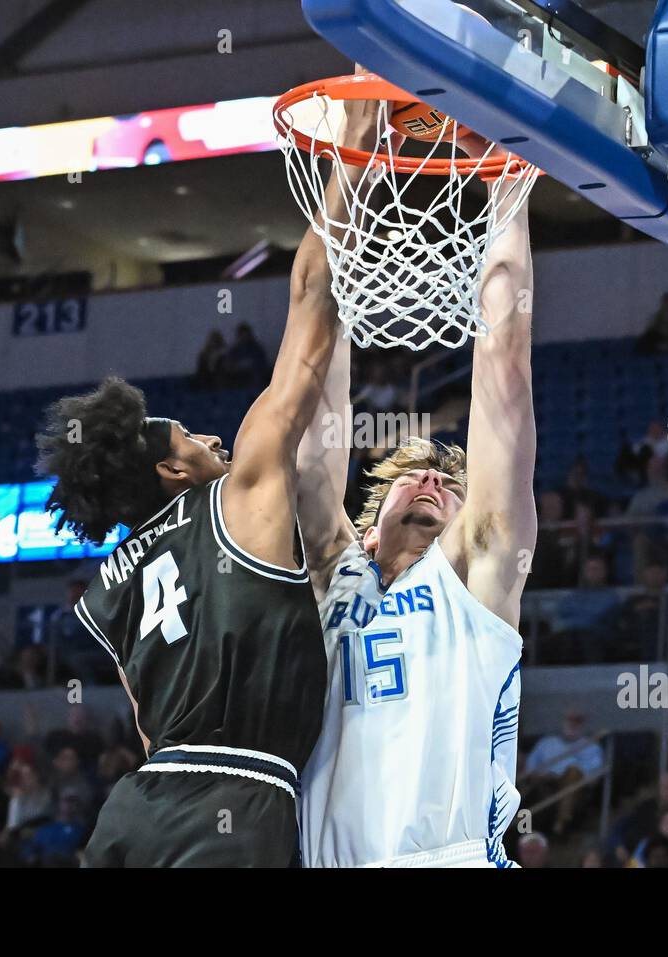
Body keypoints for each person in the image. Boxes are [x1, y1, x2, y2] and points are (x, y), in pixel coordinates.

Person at [33, 94, 382, 869]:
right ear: (170, 470)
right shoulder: (242, 494)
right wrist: (357, 143)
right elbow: (308, 304)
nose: (214, 437)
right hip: (237, 798)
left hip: (136, 805)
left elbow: (150, 730)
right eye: (191, 435)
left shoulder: (108, 585)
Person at [295, 145, 536, 868]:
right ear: (367, 524)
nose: (433, 483)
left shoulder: (477, 580)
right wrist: (348, 187)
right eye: (414, 477)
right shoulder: (333, 574)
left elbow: (504, 370)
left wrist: (509, 182)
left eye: (450, 485)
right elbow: (313, 425)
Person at [523, 710, 604, 836]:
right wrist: (544, 777)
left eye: (577, 721)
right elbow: (530, 768)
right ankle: (558, 823)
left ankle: (561, 822)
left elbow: (593, 776)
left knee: (573, 772)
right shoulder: (547, 742)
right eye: (570, 721)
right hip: (546, 783)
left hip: (576, 788)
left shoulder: (591, 746)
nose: (573, 724)